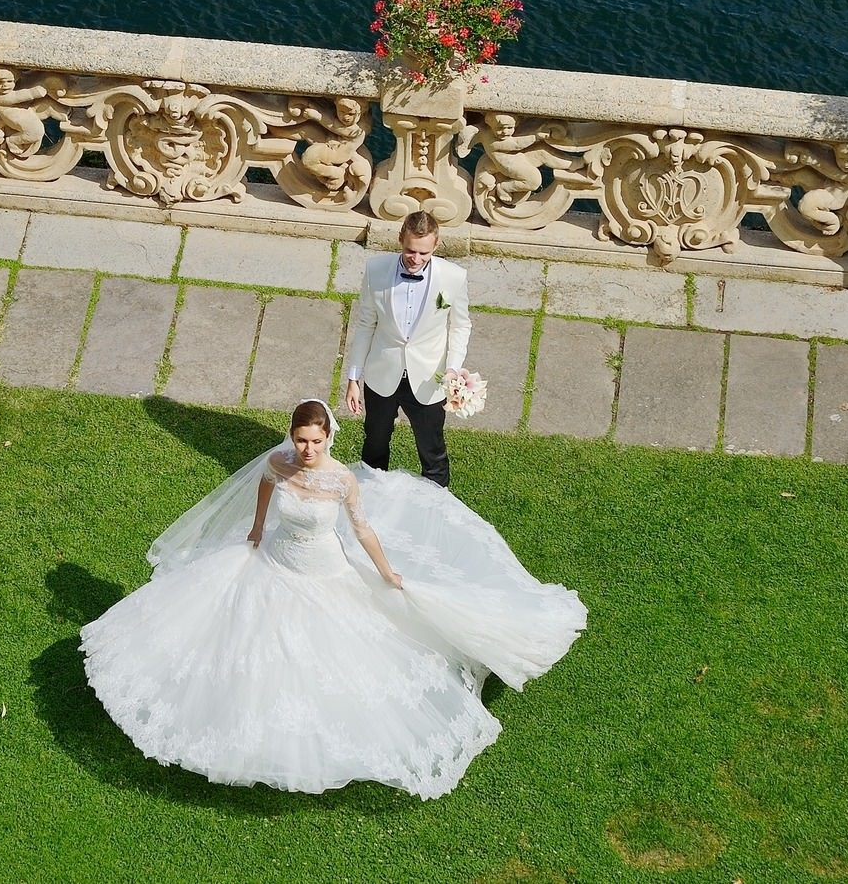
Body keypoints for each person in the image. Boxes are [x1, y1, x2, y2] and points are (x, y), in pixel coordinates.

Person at [80, 399, 586, 800]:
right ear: (291, 436)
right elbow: (264, 488)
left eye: (315, 441)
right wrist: (256, 528)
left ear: (328, 439)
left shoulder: (341, 479)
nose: (306, 449)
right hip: (275, 559)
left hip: (323, 569)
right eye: (300, 440)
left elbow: (361, 528)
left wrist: (386, 571)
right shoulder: (278, 463)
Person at [342, 211, 471, 486]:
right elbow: (366, 323)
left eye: (424, 253)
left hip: (429, 379)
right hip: (382, 374)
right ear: (401, 239)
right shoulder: (375, 270)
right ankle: (369, 496)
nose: (416, 259)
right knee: (374, 444)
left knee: (432, 450)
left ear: (436, 245)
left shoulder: (454, 277)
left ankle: (436, 503)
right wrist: (353, 378)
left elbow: (461, 326)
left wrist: (452, 369)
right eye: (411, 251)